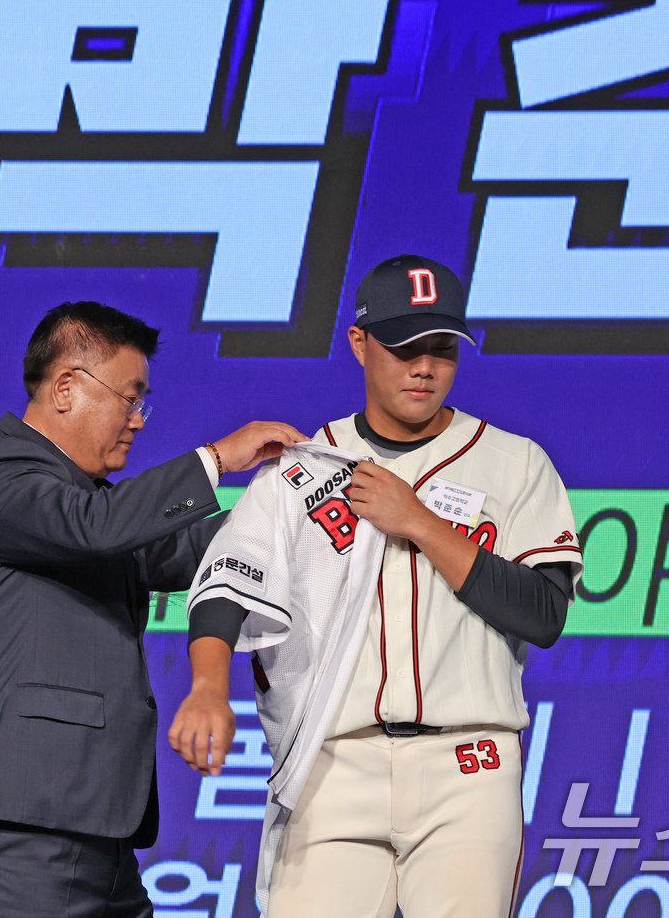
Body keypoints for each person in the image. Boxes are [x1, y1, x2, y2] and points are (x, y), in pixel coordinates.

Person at [169, 256, 584, 917]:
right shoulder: (305, 470)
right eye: (405, 347)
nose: (424, 366)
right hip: (334, 765)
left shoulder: (515, 462)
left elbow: (543, 612)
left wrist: (419, 522)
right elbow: (227, 584)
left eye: (441, 348)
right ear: (360, 343)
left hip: (467, 765)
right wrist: (208, 686)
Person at [0, 301, 305, 917]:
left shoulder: (88, 503)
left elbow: (182, 551)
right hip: (19, 828)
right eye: (131, 398)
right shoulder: (0, 473)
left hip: (93, 827)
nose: (138, 420)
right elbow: (97, 528)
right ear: (67, 387)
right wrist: (217, 460)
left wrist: (292, 516)